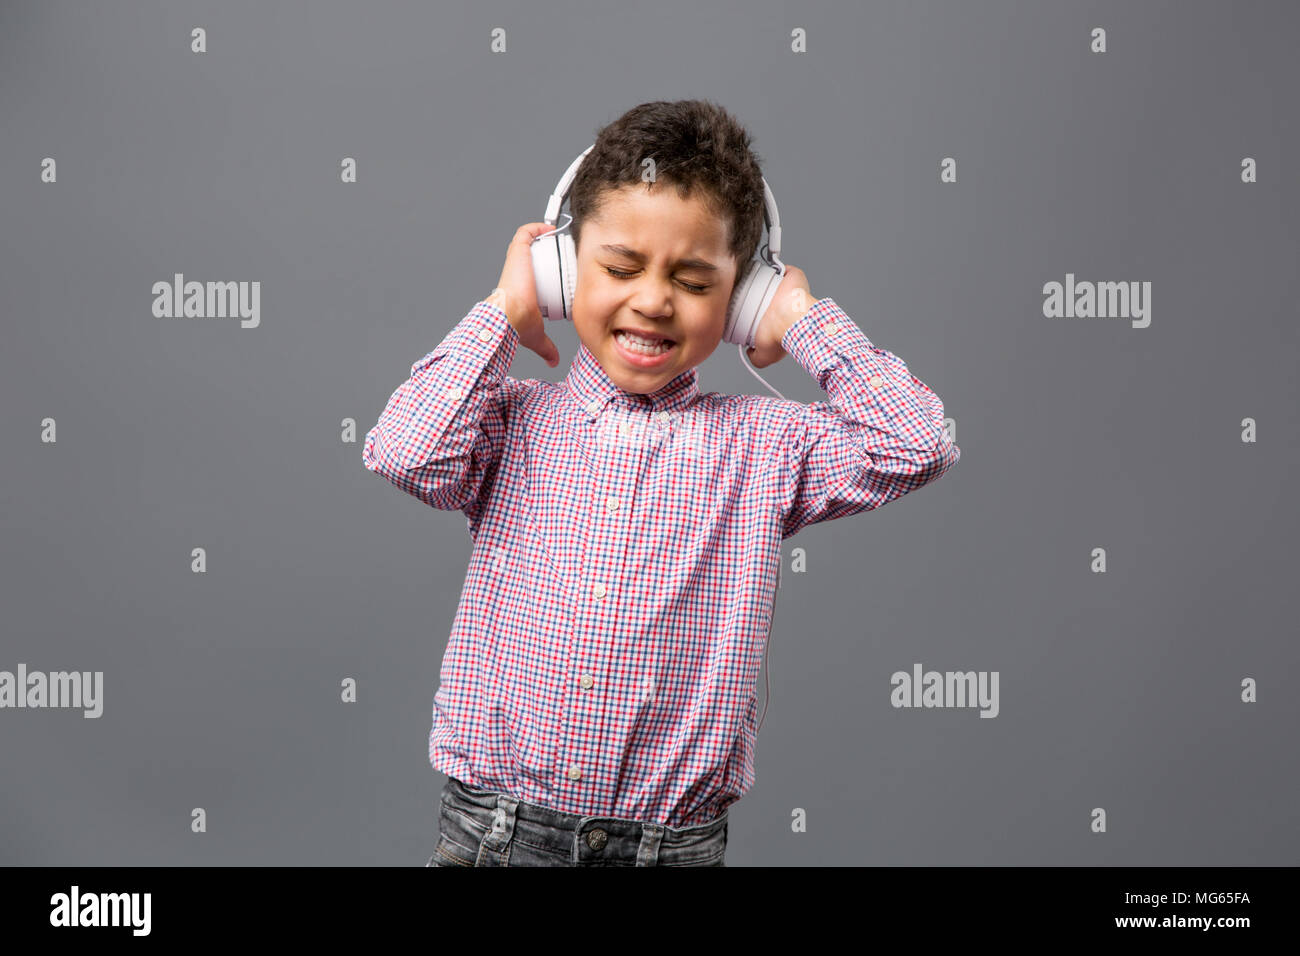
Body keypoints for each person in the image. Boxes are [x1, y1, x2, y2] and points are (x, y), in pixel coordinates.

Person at [362, 99, 961, 866]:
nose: (652, 299)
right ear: (561, 271)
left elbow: (917, 443)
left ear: (740, 299)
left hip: (669, 849)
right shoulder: (506, 420)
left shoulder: (766, 445)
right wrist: (504, 311)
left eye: (694, 280)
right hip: (495, 835)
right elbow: (404, 453)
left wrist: (803, 316)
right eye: (618, 268)